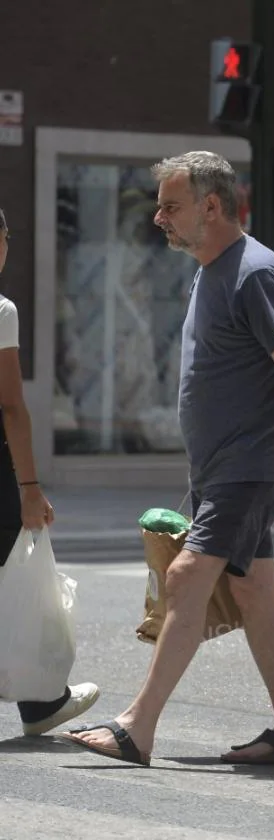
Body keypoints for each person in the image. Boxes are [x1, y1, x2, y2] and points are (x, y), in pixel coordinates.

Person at [58, 151, 274, 766]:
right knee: (254, 591)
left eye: (170, 206)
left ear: (210, 206)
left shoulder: (256, 272)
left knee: (185, 578)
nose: (158, 218)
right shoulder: (212, 270)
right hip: (223, 468)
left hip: (247, 466)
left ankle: (137, 727)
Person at [0, 207, 100, 735]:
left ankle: (39, 701)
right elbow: (11, 406)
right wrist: (30, 488)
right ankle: (41, 702)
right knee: (14, 567)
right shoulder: (1, 310)